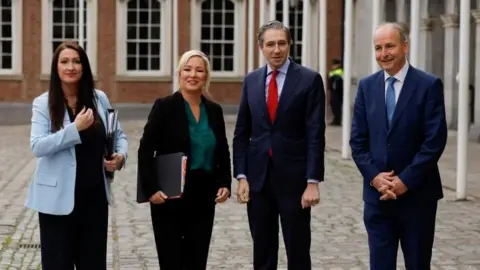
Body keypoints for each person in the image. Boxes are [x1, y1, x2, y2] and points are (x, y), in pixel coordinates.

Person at [350, 22, 447, 269]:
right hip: (377, 198)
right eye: (378, 48)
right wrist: (374, 178)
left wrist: (405, 181)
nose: (384, 54)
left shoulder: (428, 85)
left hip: (417, 197)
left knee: (417, 264)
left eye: (390, 46)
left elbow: (434, 141)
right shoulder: (366, 86)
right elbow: (358, 141)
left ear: (405, 46)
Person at [25, 41, 128, 269]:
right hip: (56, 203)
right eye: (64, 62)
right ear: (56, 68)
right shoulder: (43, 103)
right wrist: (74, 129)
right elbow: (38, 146)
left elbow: (118, 134)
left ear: (84, 66)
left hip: (94, 199)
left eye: (76, 61)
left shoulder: (99, 98)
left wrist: (120, 156)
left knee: (93, 264)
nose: (70, 66)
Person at [233, 20, 325, 270]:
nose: (277, 49)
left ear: (289, 45)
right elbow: (242, 132)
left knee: (297, 249)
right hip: (258, 179)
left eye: (282, 43)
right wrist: (241, 175)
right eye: (270, 44)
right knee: (262, 249)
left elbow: (316, 133)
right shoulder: (251, 81)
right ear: (261, 47)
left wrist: (312, 182)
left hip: (295, 180)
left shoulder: (309, 80)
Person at [137, 49, 232, 269]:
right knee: (171, 260)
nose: (193, 74)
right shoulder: (164, 106)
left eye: (199, 70)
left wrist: (225, 183)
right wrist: (151, 189)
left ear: (206, 76)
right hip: (170, 194)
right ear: (179, 74)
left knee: (197, 260)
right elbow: (145, 149)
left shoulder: (214, 111)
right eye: (187, 69)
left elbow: (223, 151)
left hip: (203, 195)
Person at [328, 59, 343, 126]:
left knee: (336, 106)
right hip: (333, 91)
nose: (333, 66)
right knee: (333, 105)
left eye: (334, 65)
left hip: (337, 91)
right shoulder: (333, 72)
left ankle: (337, 121)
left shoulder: (339, 72)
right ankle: (335, 120)